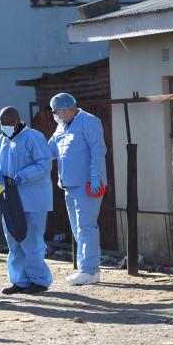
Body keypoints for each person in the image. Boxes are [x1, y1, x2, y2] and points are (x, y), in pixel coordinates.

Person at [0, 106, 54, 294]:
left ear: (17, 121)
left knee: (32, 242)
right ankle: (19, 281)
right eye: (2, 123)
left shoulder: (33, 137)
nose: (5, 126)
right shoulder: (1, 140)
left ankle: (39, 280)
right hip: (10, 199)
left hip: (33, 200)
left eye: (9, 123)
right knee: (14, 242)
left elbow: (44, 165)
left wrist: (22, 176)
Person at [48, 93, 107, 285]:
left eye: (56, 112)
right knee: (77, 228)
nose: (55, 115)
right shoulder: (62, 126)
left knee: (86, 227)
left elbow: (97, 150)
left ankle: (89, 270)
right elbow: (49, 150)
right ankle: (86, 268)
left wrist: (95, 175)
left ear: (65, 110)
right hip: (69, 185)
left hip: (87, 184)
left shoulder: (89, 121)